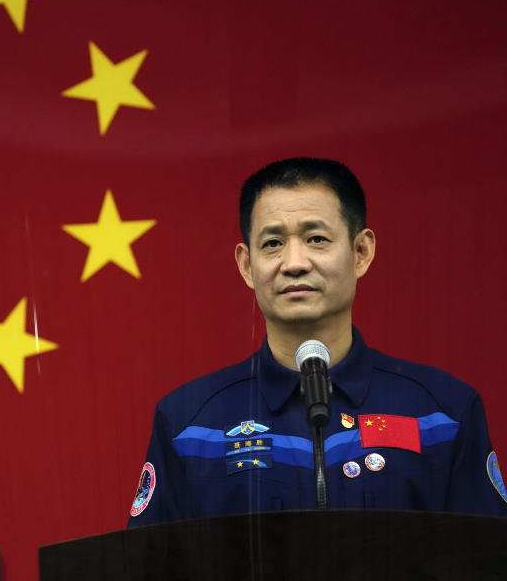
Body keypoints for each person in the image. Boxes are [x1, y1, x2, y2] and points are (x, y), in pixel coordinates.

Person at [127, 158, 507, 525]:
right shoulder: (188, 425)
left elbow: (486, 560)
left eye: (316, 238)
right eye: (273, 243)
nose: (294, 262)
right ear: (246, 265)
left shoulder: (444, 414)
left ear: (361, 252)